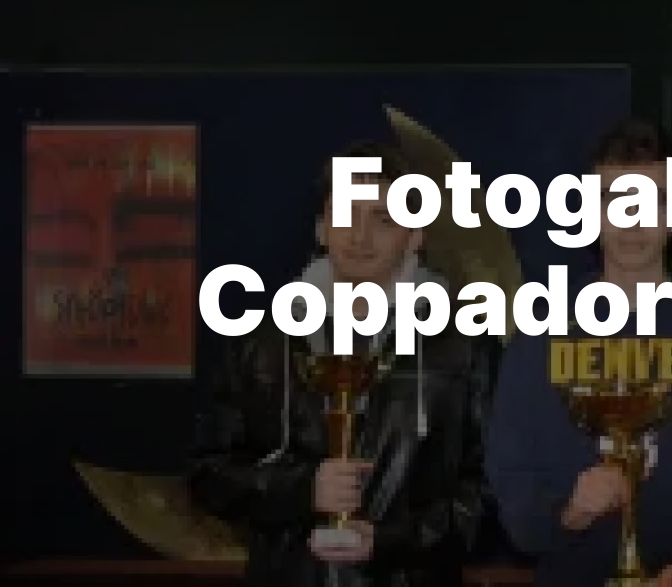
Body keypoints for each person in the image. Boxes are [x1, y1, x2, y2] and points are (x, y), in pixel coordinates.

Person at [188, 140, 496, 587]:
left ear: (416, 237)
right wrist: (302, 488)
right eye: (347, 214)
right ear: (321, 227)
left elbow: (489, 494)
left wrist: (391, 538)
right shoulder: (263, 341)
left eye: (383, 219)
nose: (359, 235)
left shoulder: (463, 344)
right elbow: (207, 474)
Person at [485, 119, 672, 587]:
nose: (632, 221)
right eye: (613, 201)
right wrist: (569, 513)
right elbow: (511, 480)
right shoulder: (542, 334)